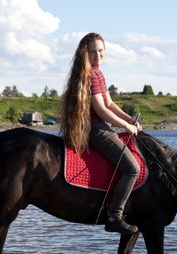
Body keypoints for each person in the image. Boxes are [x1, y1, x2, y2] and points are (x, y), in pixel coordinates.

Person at [61, 32, 142, 235]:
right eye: (92, 52)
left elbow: (110, 103)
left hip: (100, 125)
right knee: (132, 169)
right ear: (84, 54)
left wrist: (130, 120)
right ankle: (115, 215)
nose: (97, 55)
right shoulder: (91, 74)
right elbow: (101, 110)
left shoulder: (97, 72)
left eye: (100, 50)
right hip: (96, 130)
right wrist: (127, 127)